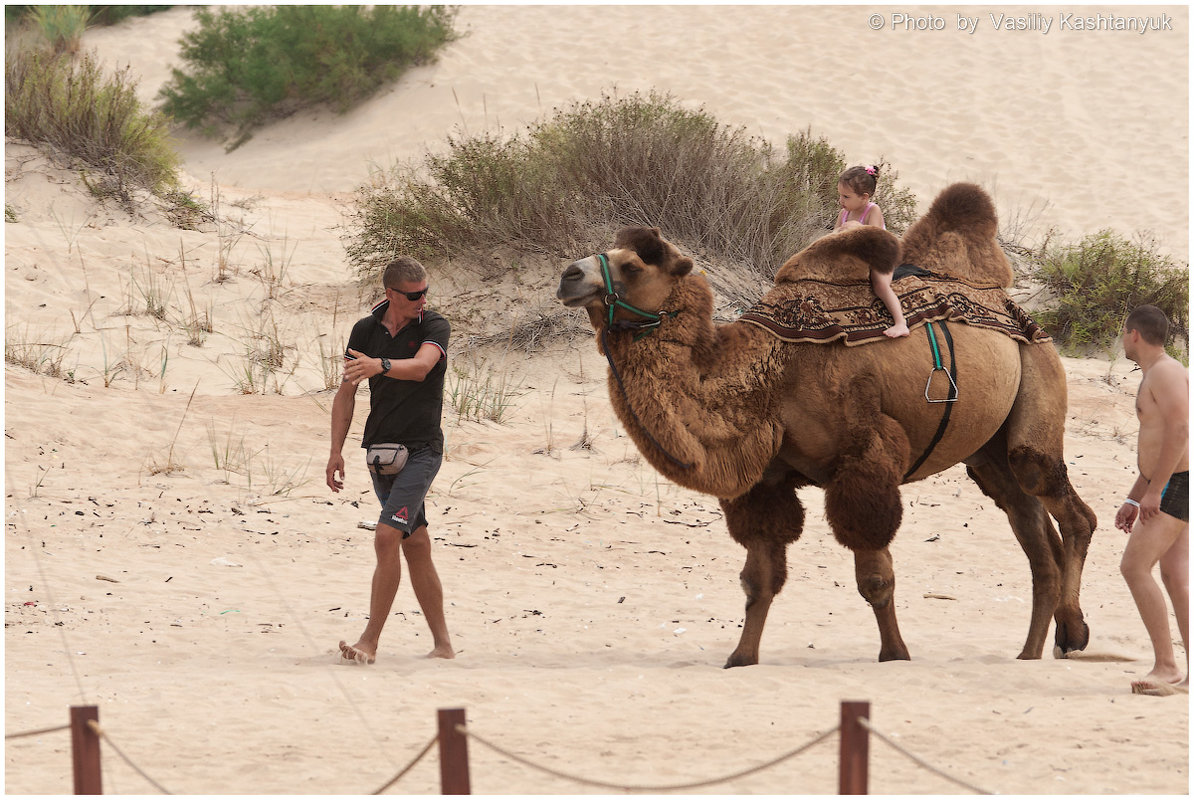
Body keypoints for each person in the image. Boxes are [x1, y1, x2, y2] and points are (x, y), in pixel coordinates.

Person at [326, 256, 455, 664]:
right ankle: (444, 646)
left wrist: (379, 364)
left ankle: (369, 641)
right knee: (415, 543)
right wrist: (335, 451)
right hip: (380, 453)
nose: (422, 300)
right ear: (391, 293)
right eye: (413, 295)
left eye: (425, 293)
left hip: (422, 451)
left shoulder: (434, 326)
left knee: (386, 537)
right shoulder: (365, 330)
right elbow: (346, 393)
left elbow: (420, 368)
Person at [1115, 305, 1188, 695]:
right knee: (1175, 577)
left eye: (1124, 334)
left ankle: (1166, 664)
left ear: (1135, 335)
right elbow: (1156, 446)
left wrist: (1156, 491)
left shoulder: (1165, 371)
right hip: (1168, 481)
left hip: (1177, 483)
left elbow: (1180, 431)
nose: (1123, 340)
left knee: (1134, 567)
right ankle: (1182, 667)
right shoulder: (1154, 374)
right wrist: (1133, 497)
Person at [834, 165, 908, 337]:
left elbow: (875, 237)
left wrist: (857, 227)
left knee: (879, 283)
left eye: (846, 196)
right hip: (859, 257)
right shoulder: (843, 214)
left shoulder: (872, 210)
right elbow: (834, 235)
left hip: (880, 255)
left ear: (864, 197)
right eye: (840, 195)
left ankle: (900, 322)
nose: (841, 200)